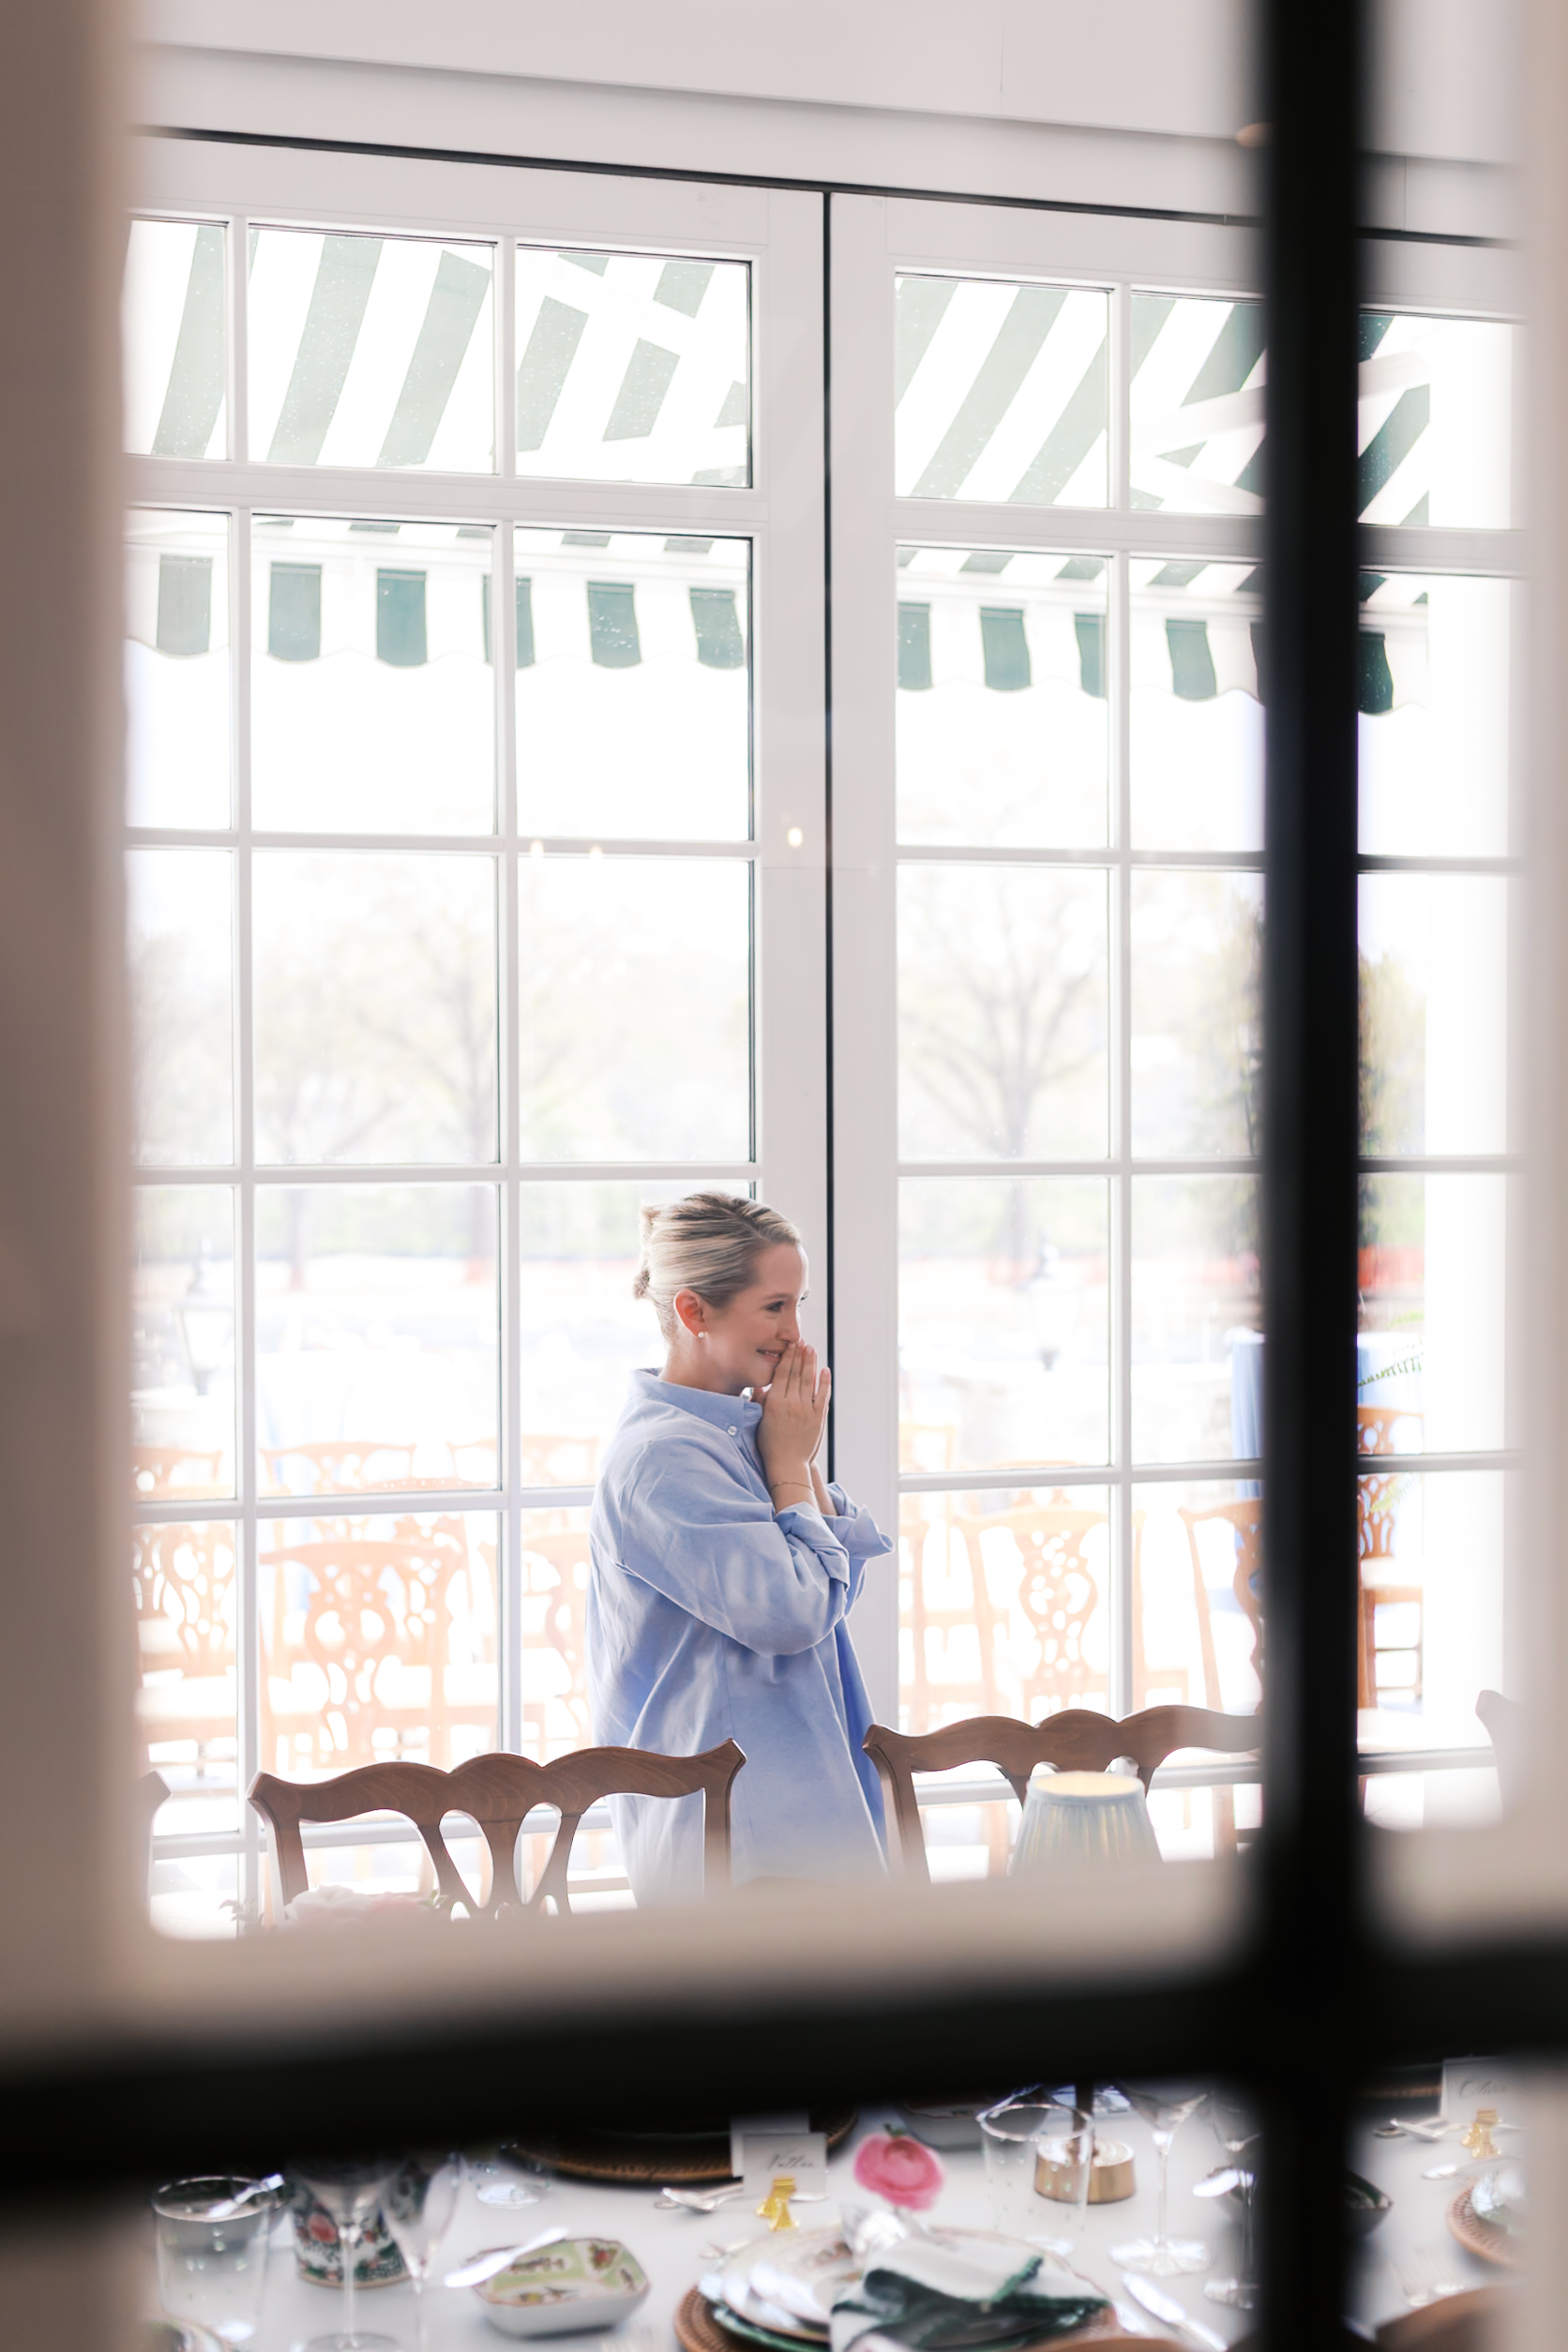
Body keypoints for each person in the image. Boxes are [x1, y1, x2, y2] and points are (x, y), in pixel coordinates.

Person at [587, 1193, 892, 1901]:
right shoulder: (662, 1460)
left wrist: (794, 1456)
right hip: (734, 1829)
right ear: (695, 1314)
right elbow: (791, 1614)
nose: (796, 1334)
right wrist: (788, 1464)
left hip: (801, 1799)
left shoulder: (741, 1434)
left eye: (798, 1304)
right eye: (775, 1307)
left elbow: (834, 1592)